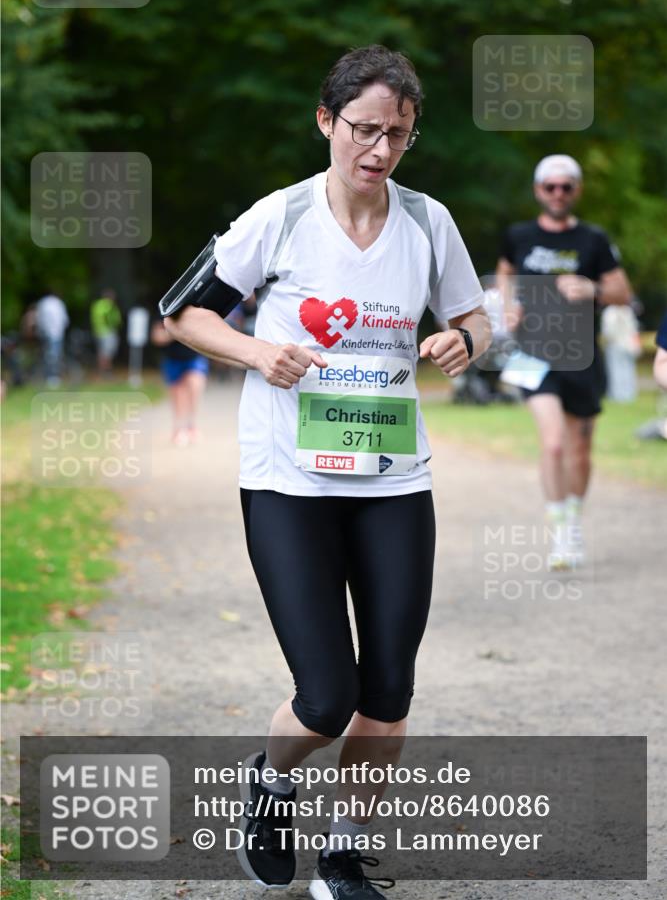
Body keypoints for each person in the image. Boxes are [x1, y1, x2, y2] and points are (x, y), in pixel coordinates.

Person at [165, 45, 490, 899]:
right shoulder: (278, 216)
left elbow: (474, 315)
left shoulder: (429, 222)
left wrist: (465, 340)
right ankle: (271, 782)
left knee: (387, 690)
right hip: (288, 482)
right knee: (326, 695)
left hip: (391, 481)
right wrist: (256, 350)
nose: (378, 151)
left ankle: (340, 858)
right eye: (363, 130)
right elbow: (184, 313)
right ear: (326, 121)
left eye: (396, 135)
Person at [496, 154, 633, 569]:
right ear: (539, 190)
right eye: (550, 186)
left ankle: (572, 517)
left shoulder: (593, 240)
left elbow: (623, 293)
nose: (558, 193)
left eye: (566, 186)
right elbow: (504, 271)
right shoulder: (518, 235)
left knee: (580, 449)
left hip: (580, 357)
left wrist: (591, 288)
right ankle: (560, 532)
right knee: (553, 443)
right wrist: (508, 304)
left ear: (577, 190)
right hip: (532, 354)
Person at [151, 317, 209, 446]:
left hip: (194, 357)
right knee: (178, 394)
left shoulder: (197, 307)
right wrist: (176, 332)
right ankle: (178, 429)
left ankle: (192, 426)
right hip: (173, 358)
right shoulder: (166, 308)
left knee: (195, 385)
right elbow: (157, 337)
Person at [35, 290, 69, 387]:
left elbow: (39, 319)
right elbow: (65, 320)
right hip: (57, 333)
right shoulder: (59, 303)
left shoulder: (42, 303)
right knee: (55, 356)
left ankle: (49, 376)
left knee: (48, 356)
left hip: (45, 333)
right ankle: (53, 377)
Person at [90, 288, 122, 376]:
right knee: (107, 353)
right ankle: (107, 372)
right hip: (107, 331)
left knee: (102, 352)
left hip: (98, 331)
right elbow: (109, 317)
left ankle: (102, 371)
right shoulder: (109, 305)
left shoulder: (97, 304)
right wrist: (114, 324)